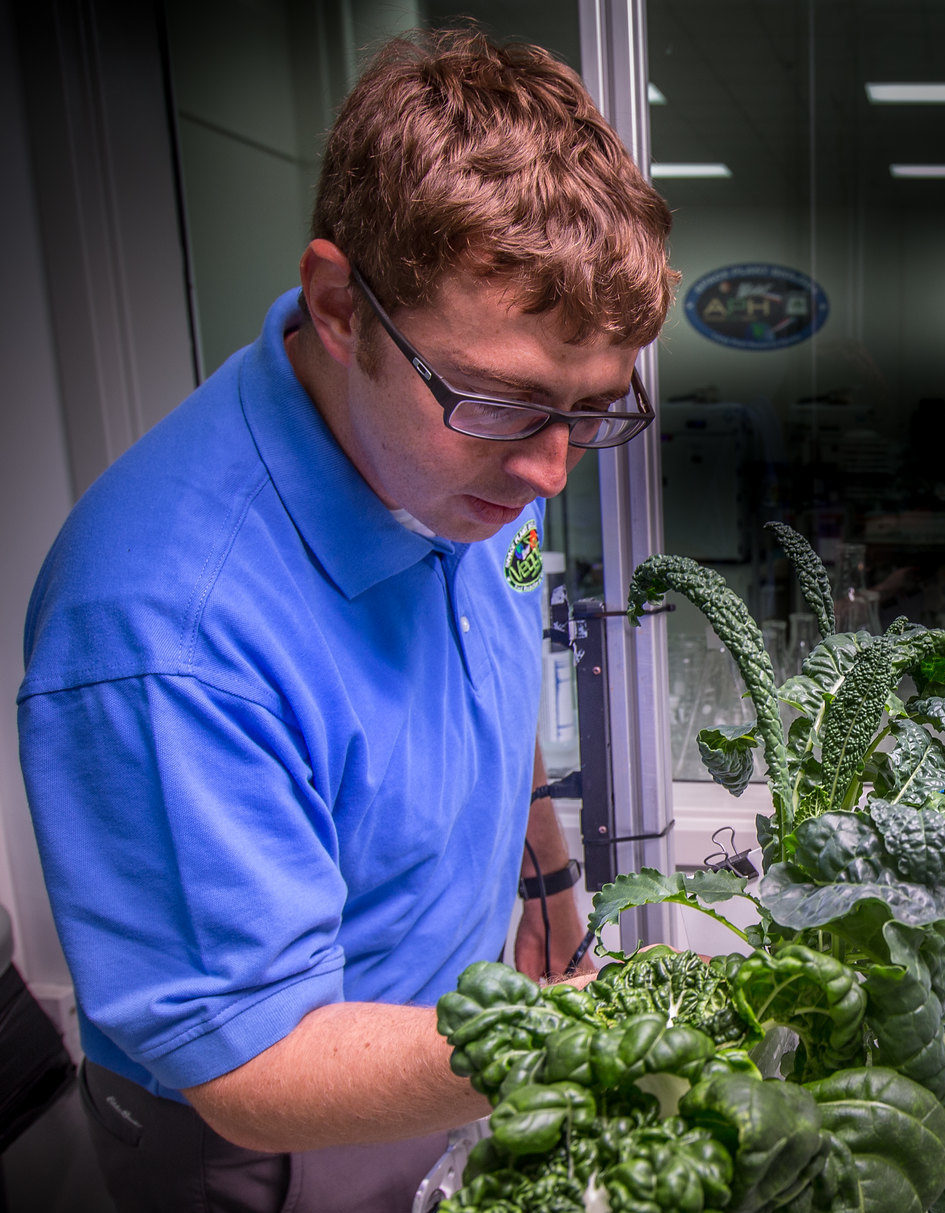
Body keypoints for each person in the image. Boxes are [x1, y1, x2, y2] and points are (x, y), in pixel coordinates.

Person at [15, 29, 675, 1212]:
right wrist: (575, 1041)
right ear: (337, 306)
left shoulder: (461, 472)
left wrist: (545, 900)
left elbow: (493, 680)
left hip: (454, 1045)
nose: (548, 471)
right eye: (502, 401)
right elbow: (247, 1060)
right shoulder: (165, 635)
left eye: (591, 410)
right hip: (274, 1134)